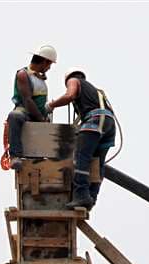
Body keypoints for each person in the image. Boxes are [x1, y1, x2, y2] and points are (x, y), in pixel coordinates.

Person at [45, 68, 116, 209]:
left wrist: (51, 105)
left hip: (95, 119)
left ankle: (82, 196)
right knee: (97, 163)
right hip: (108, 124)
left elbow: (69, 95)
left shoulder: (74, 81)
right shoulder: (95, 91)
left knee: (81, 157)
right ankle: (91, 197)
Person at [7, 44, 58, 171]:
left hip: (40, 114)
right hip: (26, 112)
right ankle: (15, 156)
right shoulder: (23, 74)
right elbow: (28, 101)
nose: (49, 68)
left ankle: (41, 160)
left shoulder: (39, 77)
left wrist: (48, 109)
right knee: (15, 116)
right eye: (49, 65)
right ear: (45, 62)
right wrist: (41, 119)